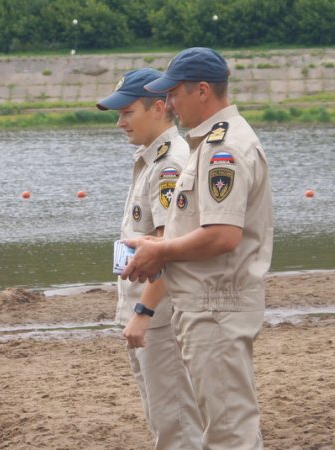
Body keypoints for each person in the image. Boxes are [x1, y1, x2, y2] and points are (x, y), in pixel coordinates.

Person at [121, 47, 274, 450]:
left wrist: (161, 252)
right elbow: (200, 226)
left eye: (174, 93)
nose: (168, 103)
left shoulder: (224, 148)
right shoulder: (208, 144)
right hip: (207, 305)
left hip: (216, 306)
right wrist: (156, 243)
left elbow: (223, 235)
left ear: (202, 90)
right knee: (222, 426)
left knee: (228, 433)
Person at [96, 68, 202, 449]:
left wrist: (144, 313)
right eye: (118, 114)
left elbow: (167, 248)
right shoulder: (150, 158)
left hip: (160, 314)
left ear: (159, 107)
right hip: (146, 311)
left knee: (177, 425)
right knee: (165, 419)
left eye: (127, 112)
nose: (120, 122)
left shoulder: (169, 164)